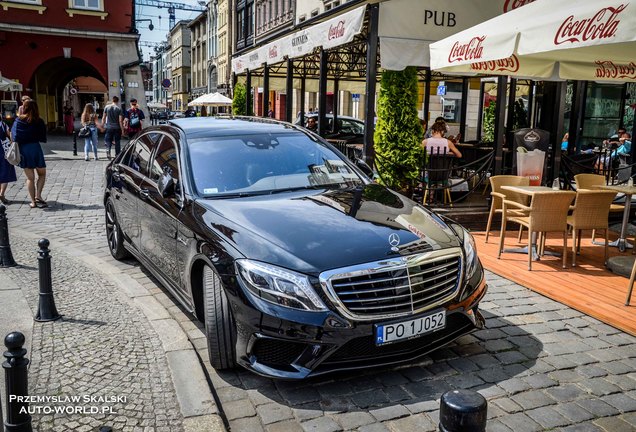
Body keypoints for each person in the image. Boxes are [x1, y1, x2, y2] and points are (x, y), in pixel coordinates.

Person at [11, 99, 47, 209]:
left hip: (24, 150)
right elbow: (43, 137)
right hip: (35, 149)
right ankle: (38, 196)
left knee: (30, 178)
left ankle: (32, 201)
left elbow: (14, 137)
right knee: (42, 174)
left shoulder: (18, 121)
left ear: (24, 108)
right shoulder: (39, 121)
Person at [0, 118, 17, 204]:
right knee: (5, 172)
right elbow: (10, 135)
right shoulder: (2, 124)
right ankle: (2, 194)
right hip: (3, 150)